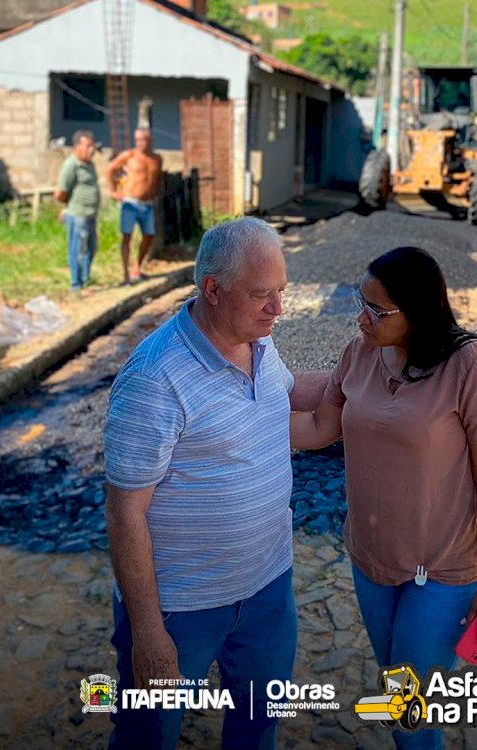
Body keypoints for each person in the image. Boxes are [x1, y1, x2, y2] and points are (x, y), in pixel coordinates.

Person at [103, 217, 326, 750]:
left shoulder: (259, 341)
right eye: (261, 295)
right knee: (147, 738)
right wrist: (150, 634)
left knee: (257, 728)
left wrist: (368, 374)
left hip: (268, 588)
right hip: (180, 607)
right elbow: (124, 514)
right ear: (213, 290)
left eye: (281, 292)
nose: (278, 308)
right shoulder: (154, 379)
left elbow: (285, 402)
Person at [290, 246, 477, 750]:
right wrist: (233, 423)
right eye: (361, 301)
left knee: (410, 714)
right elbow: (319, 426)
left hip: (443, 572)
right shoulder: (360, 353)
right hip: (371, 559)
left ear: (419, 310)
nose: (361, 317)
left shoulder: (472, 366)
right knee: (396, 679)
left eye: (377, 310)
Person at [105, 128, 163, 285]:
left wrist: (156, 193)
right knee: (127, 237)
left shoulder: (156, 158)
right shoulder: (129, 155)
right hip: (130, 202)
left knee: (149, 235)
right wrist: (113, 191)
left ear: (150, 140)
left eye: (144, 140)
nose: (141, 143)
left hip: (148, 204)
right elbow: (110, 169)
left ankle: (137, 267)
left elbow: (158, 178)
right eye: (137, 140)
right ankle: (125, 275)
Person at [55, 130, 100, 295]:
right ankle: (76, 285)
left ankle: (85, 280)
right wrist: (68, 208)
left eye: (92, 145)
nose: (92, 149)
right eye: (88, 146)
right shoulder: (71, 165)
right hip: (77, 215)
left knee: (91, 248)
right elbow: (60, 192)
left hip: (90, 214)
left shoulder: (89, 165)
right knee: (77, 250)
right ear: (77, 147)